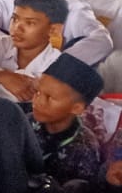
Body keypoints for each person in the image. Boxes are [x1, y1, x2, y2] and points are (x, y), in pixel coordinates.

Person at [31, 52, 105, 183]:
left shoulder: (84, 149)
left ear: (76, 108)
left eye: (49, 97)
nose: (38, 101)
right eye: (37, 92)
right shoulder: (25, 121)